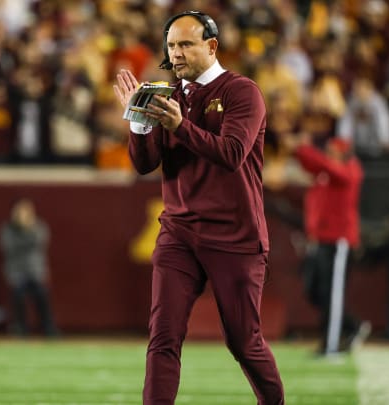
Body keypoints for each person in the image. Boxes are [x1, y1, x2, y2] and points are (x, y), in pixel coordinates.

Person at [113, 11, 284, 404]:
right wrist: (139, 123)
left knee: (243, 341)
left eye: (186, 44)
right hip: (179, 232)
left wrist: (179, 127)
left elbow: (231, 154)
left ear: (212, 46)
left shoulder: (243, 92)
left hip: (234, 234)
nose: (176, 54)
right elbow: (144, 165)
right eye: (171, 45)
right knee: (163, 337)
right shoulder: (168, 96)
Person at [284, 134, 370, 355]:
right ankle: (351, 325)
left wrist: (303, 148)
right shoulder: (325, 174)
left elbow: (324, 165)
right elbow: (313, 164)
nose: (328, 156)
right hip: (321, 239)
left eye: (333, 152)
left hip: (339, 241)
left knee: (332, 293)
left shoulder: (351, 169)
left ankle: (330, 345)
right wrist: (296, 151)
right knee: (315, 290)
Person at [0, 199, 58, 337]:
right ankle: (20, 328)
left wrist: (28, 229)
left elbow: (39, 242)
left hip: (35, 272)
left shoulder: (38, 227)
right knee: (18, 294)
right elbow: (9, 247)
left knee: (42, 293)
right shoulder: (7, 229)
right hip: (16, 273)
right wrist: (22, 233)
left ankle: (48, 327)